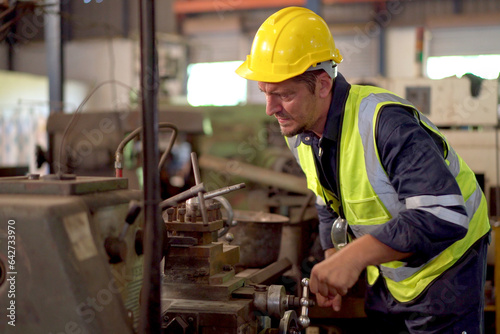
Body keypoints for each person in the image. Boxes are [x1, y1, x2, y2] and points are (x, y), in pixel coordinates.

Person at [236, 6, 490, 334]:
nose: (271, 109)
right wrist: (332, 257)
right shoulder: (301, 132)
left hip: (447, 271)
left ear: (323, 84)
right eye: (265, 94)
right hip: (389, 275)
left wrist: (352, 258)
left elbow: (444, 216)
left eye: (284, 94)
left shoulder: (385, 123)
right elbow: (325, 199)